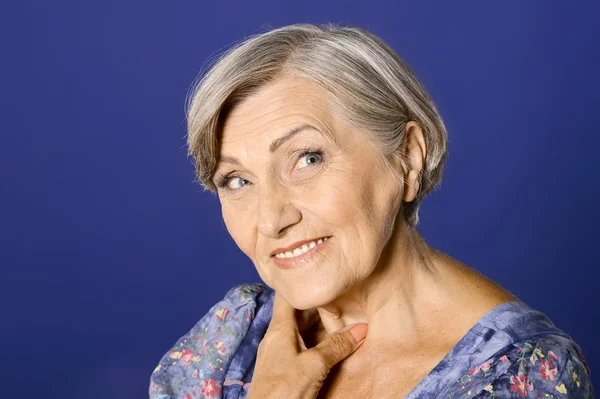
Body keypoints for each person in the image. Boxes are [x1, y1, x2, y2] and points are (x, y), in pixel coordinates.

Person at [149, 23, 593, 398]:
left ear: (408, 157)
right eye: (238, 181)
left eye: (307, 158)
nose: (270, 220)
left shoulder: (522, 375)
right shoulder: (233, 333)